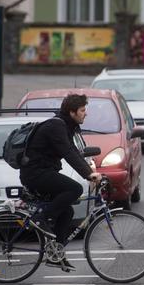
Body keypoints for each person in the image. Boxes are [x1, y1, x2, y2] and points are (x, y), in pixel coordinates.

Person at [20, 94, 102, 271]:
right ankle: (40, 219)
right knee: (75, 189)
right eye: (82, 110)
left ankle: (55, 254)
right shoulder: (56, 126)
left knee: (67, 212)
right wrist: (89, 175)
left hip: (43, 172)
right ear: (72, 112)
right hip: (35, 174)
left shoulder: (66, 126)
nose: (85, 114)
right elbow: (68, 153)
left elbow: (73, 150)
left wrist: (91, 172)